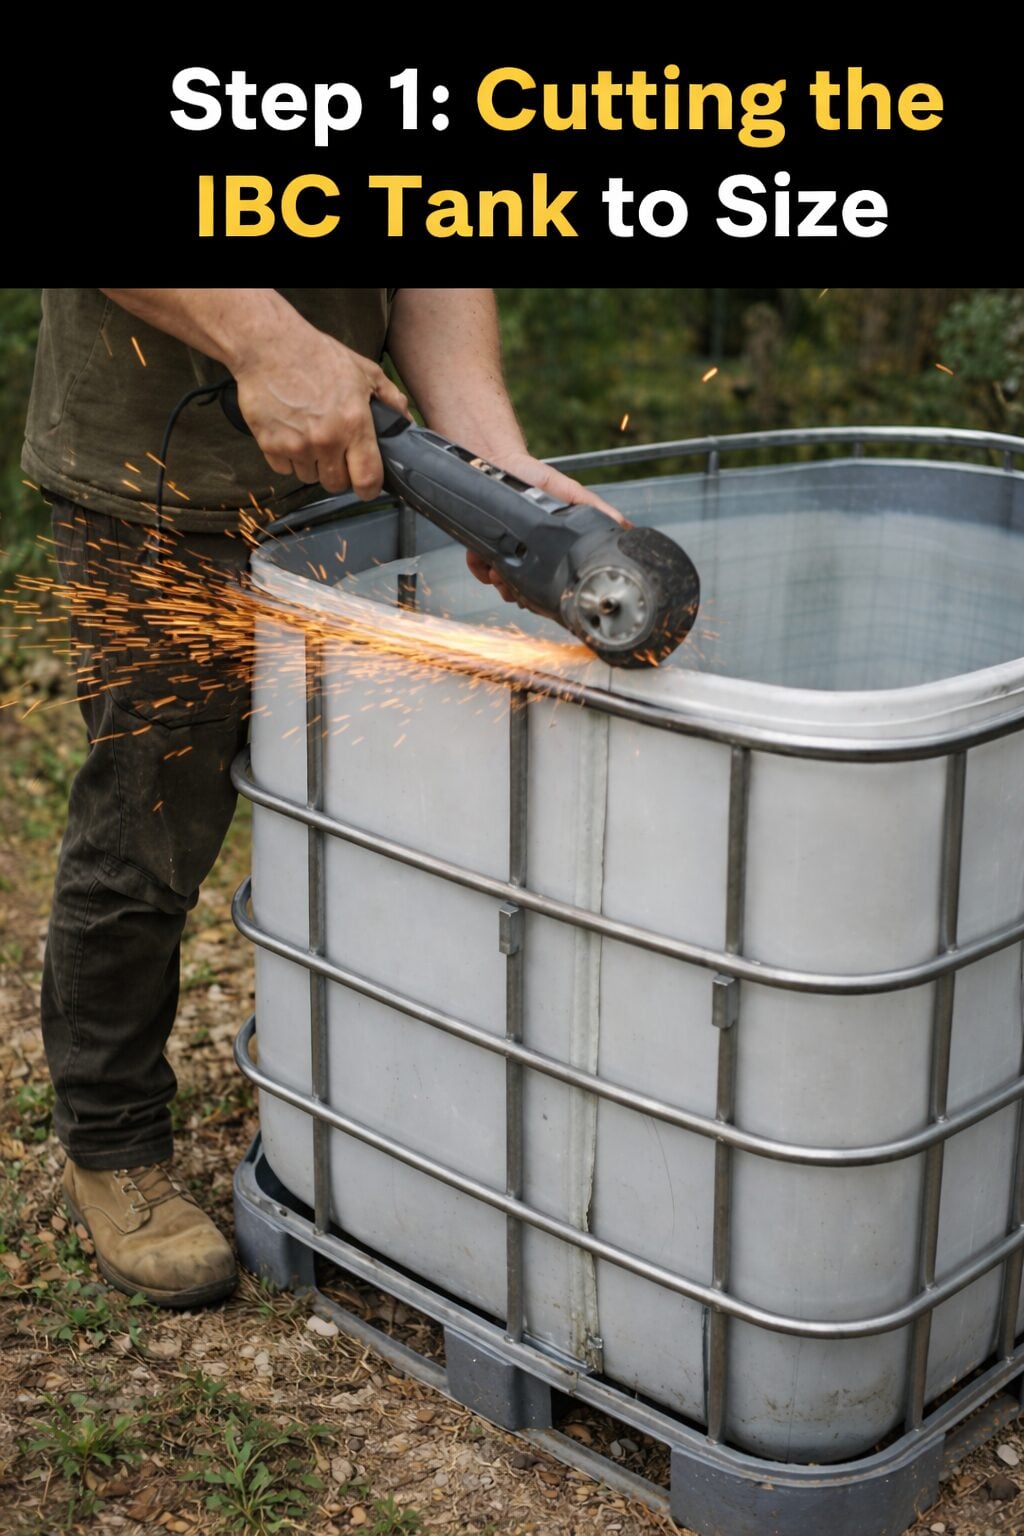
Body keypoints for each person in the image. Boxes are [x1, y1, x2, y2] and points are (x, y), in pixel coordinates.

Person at [21, 288, 620, 1308]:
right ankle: (112, 1141)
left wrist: (491, 461)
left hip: (350, 476)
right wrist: (268, 343)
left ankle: (378, 1109)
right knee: (152, 825)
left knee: (379, 812)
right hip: (154, 482)